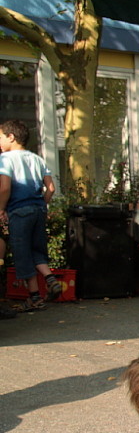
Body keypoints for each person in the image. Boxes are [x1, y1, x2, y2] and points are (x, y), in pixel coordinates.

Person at [0, 119, 59, 313]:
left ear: (11, 137)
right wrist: (41, 203)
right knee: (36, 250)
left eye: (0, 137)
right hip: (38, 209)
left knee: (22, 252)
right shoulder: (36, 158)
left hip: (19, 211)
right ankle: (50, 279)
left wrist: (1, 209)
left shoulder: (5, 160)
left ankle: (34, 297)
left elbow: (5, 187)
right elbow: (51, 188)